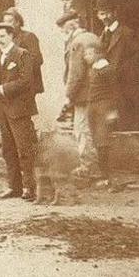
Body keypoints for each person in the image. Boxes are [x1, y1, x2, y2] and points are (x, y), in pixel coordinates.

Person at [0, 22, 39, 201]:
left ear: (11, 36)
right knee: (8, 150)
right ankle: (14, 187)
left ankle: (30, 188)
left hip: (19, 110)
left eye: (2, 36)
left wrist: (2, 89)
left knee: (24, 149)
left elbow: (26, 81)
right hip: (3, 111)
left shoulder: (22, 54)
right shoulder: (0, 57)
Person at [56, 10, 97, 177]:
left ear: (71, 26)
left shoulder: (77, 42)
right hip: (96, 92)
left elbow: (76, 73)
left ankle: (88, 168)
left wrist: (68, 97)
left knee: (82, 129)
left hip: (83, 95)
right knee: (93, 128)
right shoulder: (92, 37)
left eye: (64, 29)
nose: (63, 33)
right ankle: (93, 166)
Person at [81, 35, 124, 192]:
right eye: (85, 54)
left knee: (103, 141)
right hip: (93, 107)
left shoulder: (106, 69)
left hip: (103, 107)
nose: (86, 57)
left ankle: (110, 179)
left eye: (89, 54)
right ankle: (105, 177)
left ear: (98, 53)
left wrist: (112, 110)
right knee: (98, 142)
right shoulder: (93, 68)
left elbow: (114, 90)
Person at [95, 0, 139, 130]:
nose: (105, 17)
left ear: (115, 13)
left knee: (126, 122)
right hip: (108, 88)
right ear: (98, 15)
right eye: (101, 13)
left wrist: (122, 71)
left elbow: (138, 58)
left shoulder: (127, 33)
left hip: (125, 87)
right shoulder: (101, 36)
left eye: (108, 12)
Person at [3, 7, 44, 95]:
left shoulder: (28, 36)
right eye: (5, 22)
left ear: (18, 22)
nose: (6, 25)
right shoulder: (8, 40)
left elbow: (37, 59)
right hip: (13, 84)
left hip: (27, 83)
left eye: (10, 21)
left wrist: (19, 67)